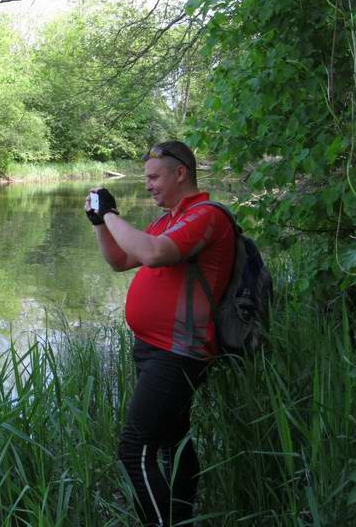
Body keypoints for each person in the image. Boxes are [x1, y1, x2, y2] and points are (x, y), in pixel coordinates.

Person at [84, 141, 235, 526]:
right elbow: (121, 260)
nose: (148, 184)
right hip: (154, 348)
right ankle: (181, 516)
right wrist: (101, 224)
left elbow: (152, 254)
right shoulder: (169, 219)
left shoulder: (206, 216)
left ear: (180, 173)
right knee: (171, 442)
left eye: (153, 177)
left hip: (179, 352)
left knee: (135, 449)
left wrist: (112, 213)